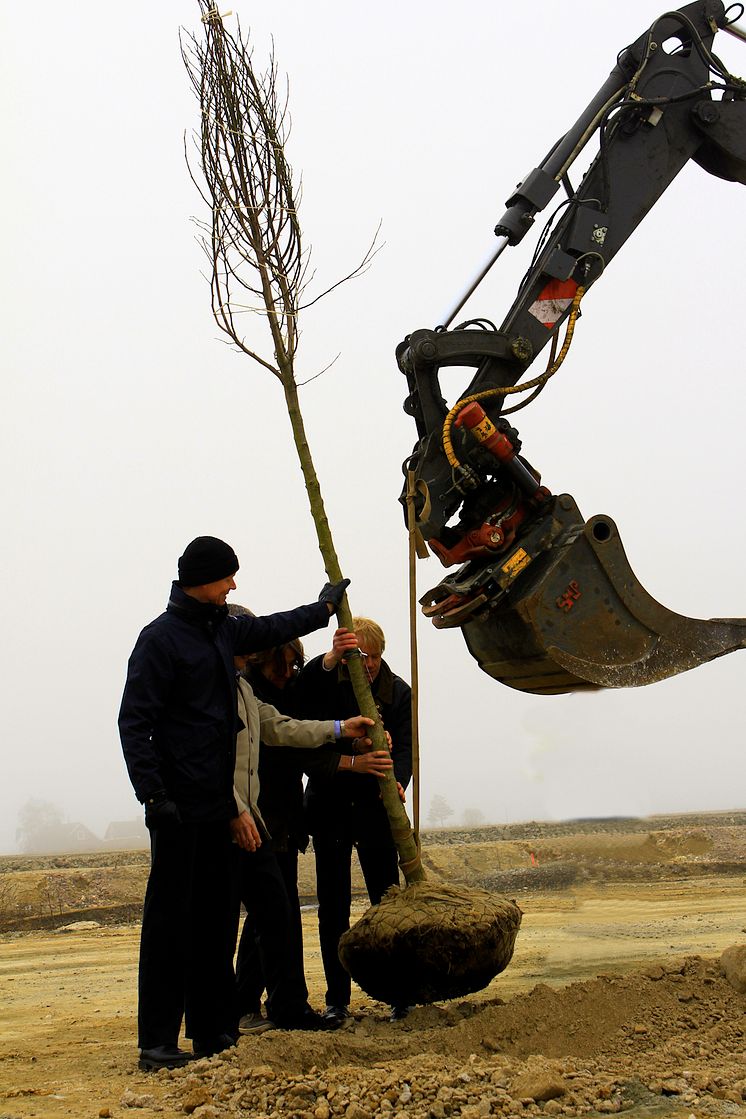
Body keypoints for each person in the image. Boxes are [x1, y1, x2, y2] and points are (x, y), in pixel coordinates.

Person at [118, 535, 349, 1071]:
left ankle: (213, 1031)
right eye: (228, 577)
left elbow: (275, 626)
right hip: (177, 808)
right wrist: (152, 793)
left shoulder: (223, 631)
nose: (234, 586)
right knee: (170, 928)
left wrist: (325, 605)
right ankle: (157, 1041)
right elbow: (136, 723)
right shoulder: (160, 640)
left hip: (222, 810)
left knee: (217, 924)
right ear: (203, 579)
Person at [228, 608, 393, 1032]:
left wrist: (343, 733)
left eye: (292, 666)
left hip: (284, 816)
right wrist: (350, 755)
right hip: (259, 814)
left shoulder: (283, 690)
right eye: (279, 667)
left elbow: (302, 726)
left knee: (277, 913)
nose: (287, 673)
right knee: (270, 914)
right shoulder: (247, 692)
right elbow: (293, 741)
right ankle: (249, 1003)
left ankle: (278, 1005)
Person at [296, 617, 413, 1025]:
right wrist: (354, 752)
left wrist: (397, 782)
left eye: (374, 658)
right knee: (333, 909)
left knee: (387, 903)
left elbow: (404, 753)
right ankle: (336, 999)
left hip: (376, 812)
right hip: (330, 809)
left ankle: (400, 994)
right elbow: (313, 739)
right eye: (359, 659)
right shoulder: (326, 685)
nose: (368, 666)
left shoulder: (398, 692)